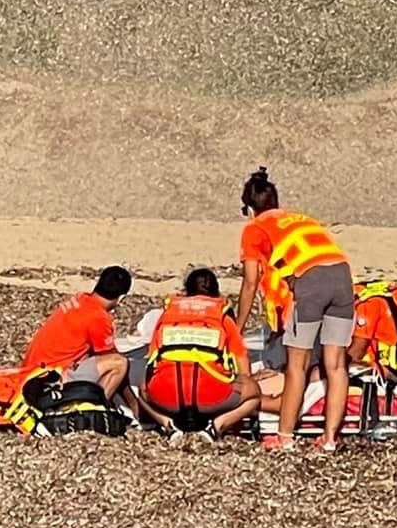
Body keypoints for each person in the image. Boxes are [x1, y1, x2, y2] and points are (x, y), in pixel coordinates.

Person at [231, 167, 356, 452]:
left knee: (296, 365)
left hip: (310, 283)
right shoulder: (302, 219)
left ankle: (285, 437)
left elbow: (251, 283)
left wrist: (236, 328)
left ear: (250, 209)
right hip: (342, 275)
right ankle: (329, 439)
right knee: (335, 365)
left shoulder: (255, 228)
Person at [122, 267, 261, 441]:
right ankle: (217, 426)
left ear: (186, 291)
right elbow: (244, 367)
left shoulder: (168, 315)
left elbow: (152, 360)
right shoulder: (222, 316)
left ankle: (168, 425)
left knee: (143, 387)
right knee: (254, 392)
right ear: (216, 292)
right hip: (212, 394)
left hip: (168, 396)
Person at [19, 266, 136, 406]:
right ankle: (95, 407)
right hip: (51, 377)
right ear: (121, 298)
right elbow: (111, 357)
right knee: (119, 363)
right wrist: (134, 402)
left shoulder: (80, 299)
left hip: (32, 371)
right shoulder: (99, 317)